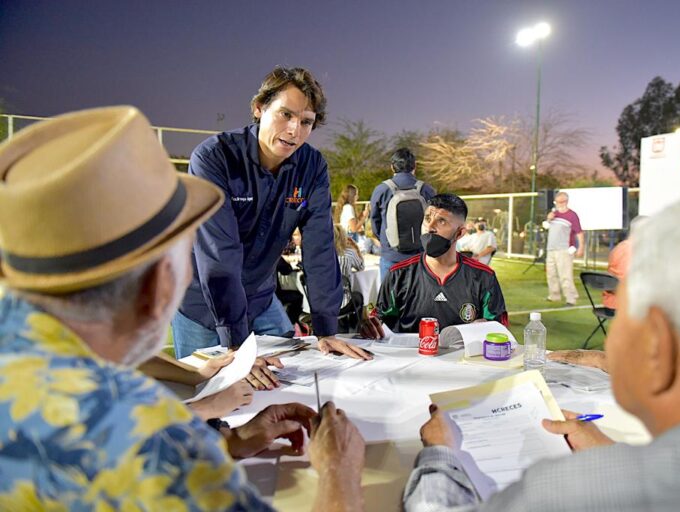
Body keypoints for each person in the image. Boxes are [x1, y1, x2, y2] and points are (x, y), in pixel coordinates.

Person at [0, 106, 366, 510]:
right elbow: (133, 437)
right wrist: (339, 471)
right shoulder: (152, 444)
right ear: (158, 283)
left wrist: (223, 436)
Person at [403, 185, 680, 511]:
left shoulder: (574, 490)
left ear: (660, 347)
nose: (608, 305)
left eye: (618, 298)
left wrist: (441, 453)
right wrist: (611, 451)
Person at [172, 66, 370, 361]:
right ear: (259, 108)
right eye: (285, 114)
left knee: (294, 379)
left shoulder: (312, 166)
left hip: (261, 299)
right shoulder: (213, 158)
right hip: (201, 301)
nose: (294, 130)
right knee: (209, 398)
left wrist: (326, 329)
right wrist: (238, 346)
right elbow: (219, 255)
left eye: (306, 122)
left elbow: (320, 247)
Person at [361, 194, 507, 337]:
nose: (430, 227)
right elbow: (379, 320)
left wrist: (487, 326)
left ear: (460, 233)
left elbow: (499, 328)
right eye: (427, 218)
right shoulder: (398, 274)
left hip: (461, 359)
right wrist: (370, 325)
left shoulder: (484, 276)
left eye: (441, 221)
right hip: (412, 358)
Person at [369, 148, 436, 280]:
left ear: (392, 167)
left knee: (389, 297)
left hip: (391, 255)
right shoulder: (426, 189)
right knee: (418, 298)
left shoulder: (382, 190)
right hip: (419, 256)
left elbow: (375, 223)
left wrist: (385, 239)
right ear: (414, 166)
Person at [545, 191, 584, 306]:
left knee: (565, 275)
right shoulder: (553, 214)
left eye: (561, 201)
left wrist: (581, 247)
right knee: (551, 274)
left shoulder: (572, 215)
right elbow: (547, 227)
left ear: (566, 201)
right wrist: (548, 219)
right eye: (557, 202)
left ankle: (570, 298)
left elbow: (579, 232)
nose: (559, 204)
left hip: (564, 249)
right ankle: (554, 295)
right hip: (551, 248)